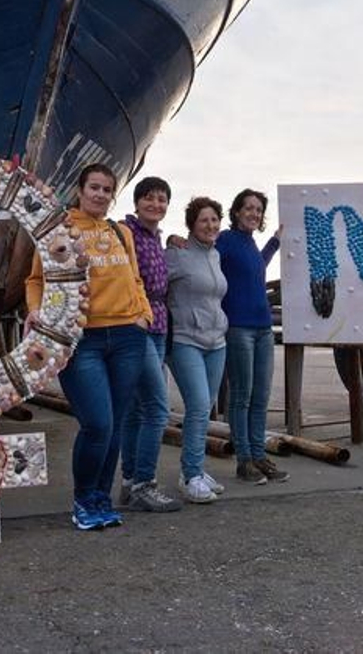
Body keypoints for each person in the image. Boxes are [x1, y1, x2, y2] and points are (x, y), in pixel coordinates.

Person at [26, 163, 152, 531]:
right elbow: (36, 279)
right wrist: (35, 310)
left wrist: (143, 315)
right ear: (80, 190)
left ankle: (101, 498)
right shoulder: (59, 229)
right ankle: (83, 499)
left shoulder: (121, 232)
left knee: (115, 425)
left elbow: (136, 279)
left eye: (106, 189)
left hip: (128, 337)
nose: (100, 194)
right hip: (83, 340)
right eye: (94, 187)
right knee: (98, 423)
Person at [116, 176, 181, 513]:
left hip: (158, 325)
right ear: (137, 202)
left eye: (161, 199)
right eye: (149, 198)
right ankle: (144, 483)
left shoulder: (155, 236)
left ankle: (130, 483)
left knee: (136, 409)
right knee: (157, 409)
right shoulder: (125, 232)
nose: (156, 204)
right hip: (137, 325)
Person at [218, 188, 286, 485]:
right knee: (241, 396)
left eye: (258, 210)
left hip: (263, 329)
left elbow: (258, 265)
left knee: (261, 396)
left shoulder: (250, 244)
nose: (254, 213)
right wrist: (175, 241)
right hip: (239, 329)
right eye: (248, 208)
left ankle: (259, 455)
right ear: (236, 212)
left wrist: (275, 241)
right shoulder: (225, 239)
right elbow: (203, 258)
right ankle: (244, 460)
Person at [165, 197, 230, 504]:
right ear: (192, 224)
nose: (210, 225)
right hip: (185, 340)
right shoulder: (177, 254)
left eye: (215, 219)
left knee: (204, 409)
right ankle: (190, 476)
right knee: (199, 406)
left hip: (217, 342)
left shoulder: (215, 255)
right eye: (204, 220)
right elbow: (151, 282)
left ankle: (196, 470)